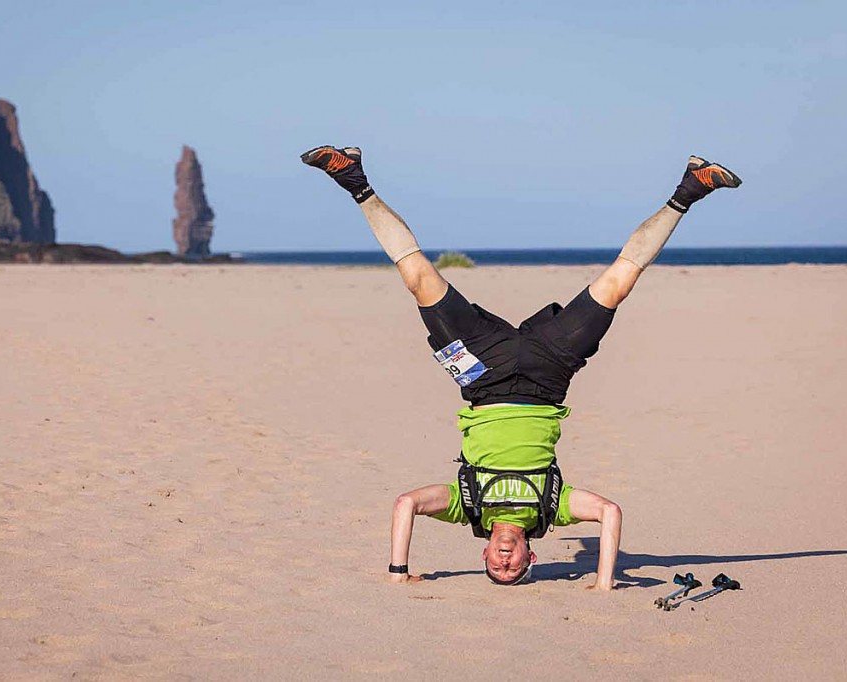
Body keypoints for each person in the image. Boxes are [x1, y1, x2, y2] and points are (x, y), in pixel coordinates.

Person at [301, 146, 742, 589]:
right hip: (548, 378)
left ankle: (353, 179)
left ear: (484, 554)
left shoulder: (465, 507)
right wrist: (604, 580)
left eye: (496, 567)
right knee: (617, 283)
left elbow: (405, 504)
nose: (505, 563)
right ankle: (691, 187)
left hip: (481, 376)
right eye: (515, 568)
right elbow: (609, 512)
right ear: (532, 554)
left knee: (417, 279)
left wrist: (398, 572)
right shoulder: (552, 509)